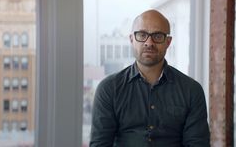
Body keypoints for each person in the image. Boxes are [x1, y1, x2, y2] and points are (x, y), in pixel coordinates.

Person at [90, 9, 210, 147]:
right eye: (142, 35)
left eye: (157, 36)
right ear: (131, 39)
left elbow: (197, 144)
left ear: (168, 42)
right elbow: (100, 144)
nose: (149, 42)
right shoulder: (109, 89)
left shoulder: (191, 91)